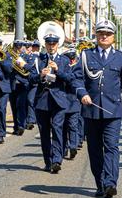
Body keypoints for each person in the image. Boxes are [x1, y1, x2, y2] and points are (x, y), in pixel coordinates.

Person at [73, 20, 122, 198]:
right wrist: (82, 93)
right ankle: (100, 183)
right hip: (91, 110)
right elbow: (77, 79)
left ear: (113, 37)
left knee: (111, 147)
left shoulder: (120, 57)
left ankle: (111, 183)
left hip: (113, 111)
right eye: (101, 33)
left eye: (108, 34)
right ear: (96, 36)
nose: (104, 36)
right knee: (95, 149)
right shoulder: (86, 55)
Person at [29, 30, 71, 173]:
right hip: (42, 100)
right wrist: (41, 75)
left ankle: (57, 160)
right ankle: (48, 161)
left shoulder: (64, 60)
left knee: (58, 129)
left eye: (53, 44)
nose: (51, 46)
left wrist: (57, 70)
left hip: (59, 100)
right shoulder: (38, 59)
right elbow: (31, 79)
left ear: (58, 45)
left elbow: (69, 79)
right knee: (44, 133)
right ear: (45, 45)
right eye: (48, 43)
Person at [63, 46, 81, 160]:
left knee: (70, 126)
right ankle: (67, 147)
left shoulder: (77, 69)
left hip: (72, 101)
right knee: (69, 126)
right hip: (66, 102)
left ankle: (71, 147)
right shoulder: (63, 68)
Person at [9, 40, 30, 136]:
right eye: (16, 47)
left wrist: (22, 65)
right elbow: (6, 67)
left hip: (23, 84)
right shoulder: (10, 57)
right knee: (14, 106)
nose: (17, 49)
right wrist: (12, 65)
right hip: (12, 84)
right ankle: (16, 126)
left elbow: (30, 68)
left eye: (19, 47)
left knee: (21, 106)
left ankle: (21, 125)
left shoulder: (26, 56)